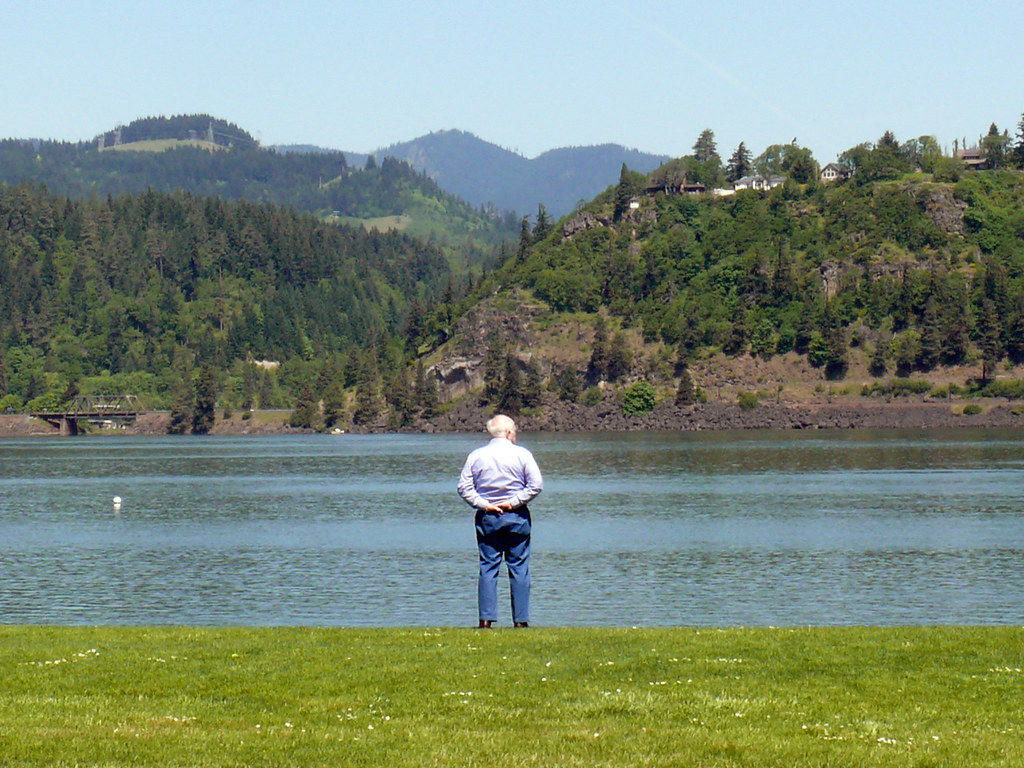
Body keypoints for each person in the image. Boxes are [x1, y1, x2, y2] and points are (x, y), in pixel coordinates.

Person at [457, 414, 543, 628]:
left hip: (488, 517)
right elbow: (535, 485)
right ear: (508, 433)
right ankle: (521, 621)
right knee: (519, 566)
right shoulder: (522, 455)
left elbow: (464, 488)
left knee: (488, 566)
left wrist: (485, 505)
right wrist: (513, 503)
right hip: (516, 516)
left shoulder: (476, 456)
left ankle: (486, 620)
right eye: (514, 431)